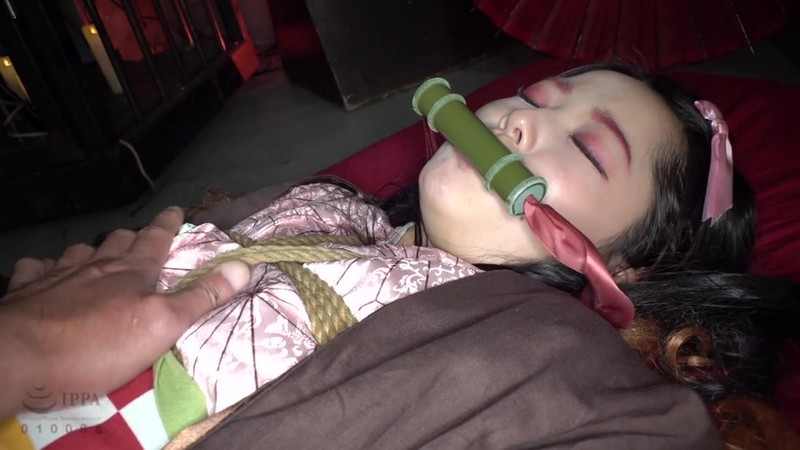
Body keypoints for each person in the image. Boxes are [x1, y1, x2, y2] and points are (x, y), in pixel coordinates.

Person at [2, 64, 799, 449]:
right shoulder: (328, 206)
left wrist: (26, 344)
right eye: (535, 97)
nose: (516, 120)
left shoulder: (553, 352)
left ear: (630, 269)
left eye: (587, 149)